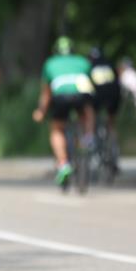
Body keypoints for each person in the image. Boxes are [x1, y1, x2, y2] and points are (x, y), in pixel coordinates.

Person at [32, 36, 95, 187]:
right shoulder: (83, 62)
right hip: (80, 95)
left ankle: (63, 163)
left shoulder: (50, 63)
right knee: (87, 110)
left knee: (57, 129)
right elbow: (91, 85)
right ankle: (88, 137)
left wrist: (41, 111)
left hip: (60, 97)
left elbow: (46, 93)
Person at [88, 46, 121, 172]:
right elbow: (118, 82)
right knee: (111, 123)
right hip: (113, 95)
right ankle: (113, 150)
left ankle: (92, 141)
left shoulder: (89, 66)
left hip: (97, 96)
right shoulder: (110, 64)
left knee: (91, 115)